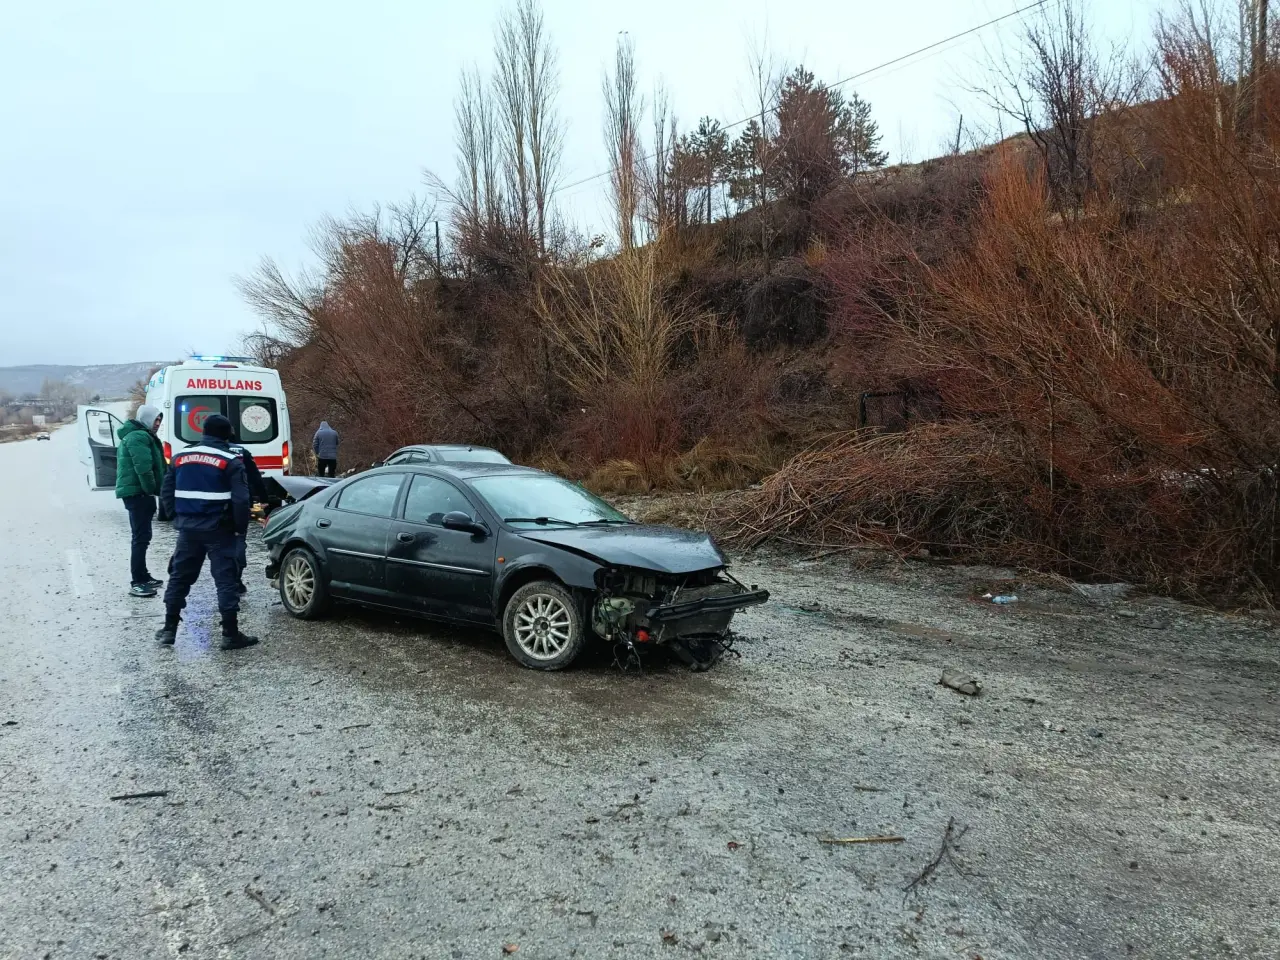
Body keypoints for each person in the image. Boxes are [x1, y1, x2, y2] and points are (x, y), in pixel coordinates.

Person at [156, 414, 259, 650]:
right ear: (227, 435)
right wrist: (239, 530)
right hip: (219, 530)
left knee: (179, 578)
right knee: (226, 581)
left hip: (188, 530)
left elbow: (166, 492)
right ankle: (230, 634)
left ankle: (169, 630)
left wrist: (177, 517)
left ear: (203, 432)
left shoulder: (180, 457)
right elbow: (241, 500)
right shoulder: (230, 460)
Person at [115, 404, 166, 597]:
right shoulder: (138, 437)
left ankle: (143, 575)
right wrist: (153, 490)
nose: (158, 423)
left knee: (143, 537)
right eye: (155, 419)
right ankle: (137, 581)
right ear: (146, 419)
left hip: (139, 493)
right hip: (138, 494)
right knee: (140, 538)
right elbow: (144, 468)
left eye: (160, 420)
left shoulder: (140, 435)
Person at [227, 440, 269, 594]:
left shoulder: (203, 451)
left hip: (213, 506)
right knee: (238, 539)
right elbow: (255, 477)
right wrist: (264, 499)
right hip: (240, 503)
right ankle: (236, 580)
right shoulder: (241, 451)